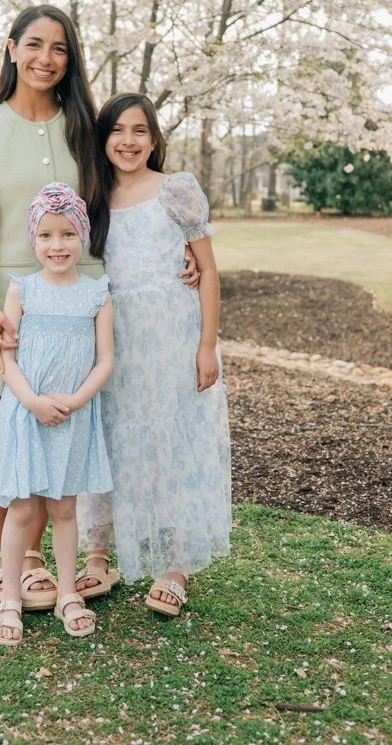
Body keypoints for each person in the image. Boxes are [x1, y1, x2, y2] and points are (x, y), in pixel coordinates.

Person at [0, 5, 199, 609]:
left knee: (65, 421)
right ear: (11, 49)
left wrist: (181, 249)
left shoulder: (84, 126)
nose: (46, 58)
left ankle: (33, 559)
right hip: (15, 295)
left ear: (71, 59)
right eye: (34, 44)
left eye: (59, 48)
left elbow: (123, 189)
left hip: (85, 290)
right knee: (14, 423)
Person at [76, 92, 231, 617]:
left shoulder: (175, 189)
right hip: (113, 342)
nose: (128, 141)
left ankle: (175, 566)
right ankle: (99, 555)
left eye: (139, 130)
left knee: (174, 443)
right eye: (117, 131)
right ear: (103, 139)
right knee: (110, 439)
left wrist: (206, 345)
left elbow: (208, 270)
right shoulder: (92, 197)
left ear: (154, 138)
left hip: (172, 340)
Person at [0, 183, 113, 644]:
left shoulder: (97, 294)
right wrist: (33, 402)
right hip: (27, 413)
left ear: (82, 235)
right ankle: (9, 599)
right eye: (45, 235)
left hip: (72, 417)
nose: (57, 245)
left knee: (64, 507)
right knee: (22, 508)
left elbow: (105, 361)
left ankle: (67, 594)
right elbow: (8, 360)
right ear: (33, 240)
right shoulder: (23, 290)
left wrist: (75, 402)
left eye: (67, 234)